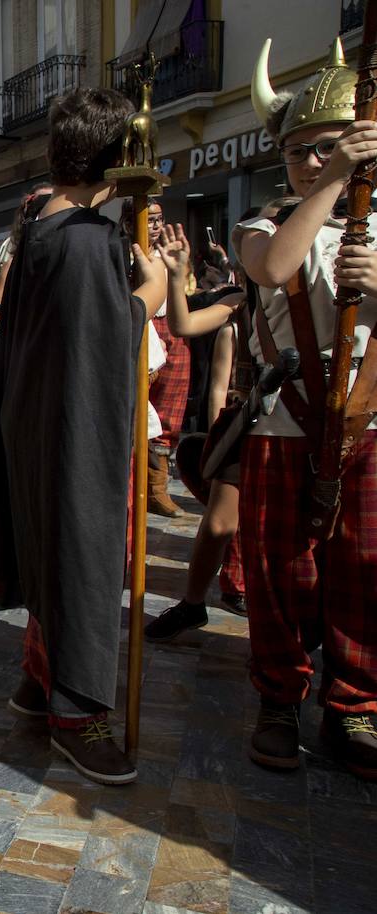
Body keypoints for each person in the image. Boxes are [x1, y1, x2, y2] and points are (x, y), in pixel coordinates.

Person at [0, 86, 166, 786]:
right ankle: (79, 716)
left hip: (42, 421)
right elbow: (103, 344)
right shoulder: (81, 241)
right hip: (66, 430)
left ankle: (38, 681)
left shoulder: (45, 223)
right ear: (116, 160)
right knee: (81, 559)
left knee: (59, 551)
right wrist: (152, 297)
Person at [233, 38, 377, 779]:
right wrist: (337, 178)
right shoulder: (265, 222)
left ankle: (353, 704)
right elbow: (275, 267)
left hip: (369, 425)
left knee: (364, 570)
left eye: (328, 148)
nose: (311, 162)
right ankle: (280, 699)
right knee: (278, 572)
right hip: (284, 426)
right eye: (298, 153)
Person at [145, 221, 256, 641]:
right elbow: (183, 325)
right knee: (218, 523)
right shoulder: (240, 301)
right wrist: (176, 276)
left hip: (314, 422)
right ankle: (194, 602)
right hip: (252, 418)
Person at [122, 200, 190, 517]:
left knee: (168, 412)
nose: (155, 226)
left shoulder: (168, 255)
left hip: (169, 332)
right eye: (148, 219)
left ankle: (158, 488)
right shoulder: (122, 257)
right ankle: (141, 485)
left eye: (159, 219)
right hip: (139, 329)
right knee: (140, 411)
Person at [0, 181, 53, 308]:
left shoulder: (71, 241)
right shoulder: (10, 250)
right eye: (40, 206)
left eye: (52, 203)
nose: (49, 211)